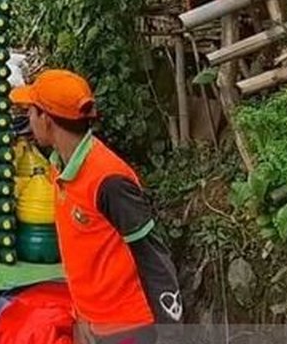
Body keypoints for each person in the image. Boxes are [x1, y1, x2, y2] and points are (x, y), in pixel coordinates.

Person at [10, 69, 182, 344]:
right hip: (91, 322)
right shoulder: (59, 167)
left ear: (47, 119)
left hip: (127, 327)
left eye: (31, 111)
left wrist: (171, 331)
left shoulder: (109, 181)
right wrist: (82, 317)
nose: (28, 119)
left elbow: (152, 255)